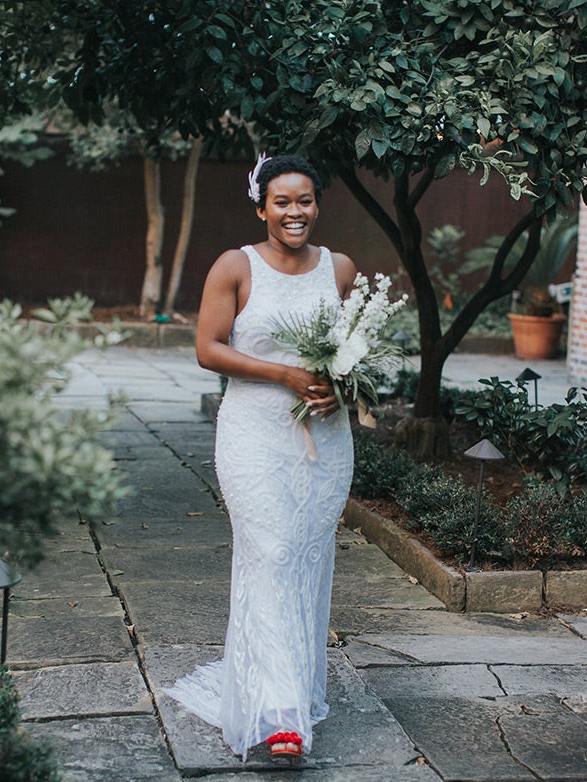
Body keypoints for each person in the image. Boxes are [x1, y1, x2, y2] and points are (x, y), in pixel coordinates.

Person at [164, 155, 357, 761]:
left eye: (304, 201)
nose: (294, 212)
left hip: (324, 439)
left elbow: (351, 351)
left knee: (306, 558)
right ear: (261, 207)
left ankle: (291, 687)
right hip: (253, 435)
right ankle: (280, 716)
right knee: (269, 553)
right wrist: (284, 375)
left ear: (317, 204)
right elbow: (206, 348)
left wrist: (337, 386)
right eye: (282, 202)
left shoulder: (341, 269)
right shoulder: (235, 266)